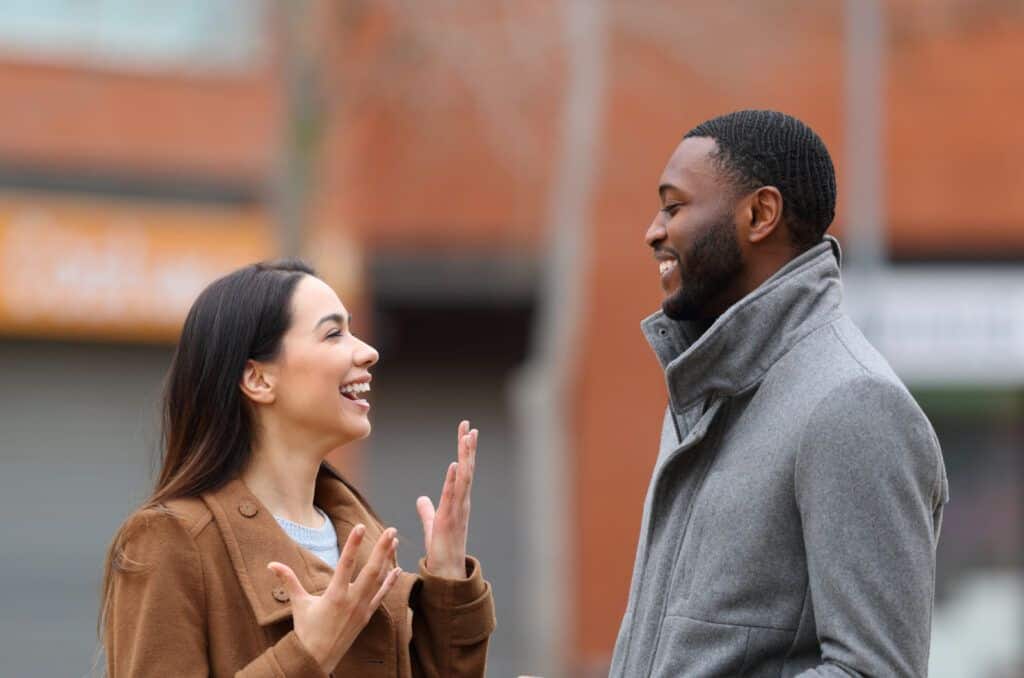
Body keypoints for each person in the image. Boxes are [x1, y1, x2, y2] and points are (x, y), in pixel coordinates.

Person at [610, 110, 948, 677]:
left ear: (760, 214)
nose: (653, 231)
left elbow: (873, 672)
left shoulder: (852, 404)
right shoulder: (706, 392)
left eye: (674, 206)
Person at [99, 259, 495, 677]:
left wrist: (449, 586)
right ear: (258, 380)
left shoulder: (366, 543)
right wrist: (307, 654)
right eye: (333, 333)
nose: (368, 351)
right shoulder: (171, 540)